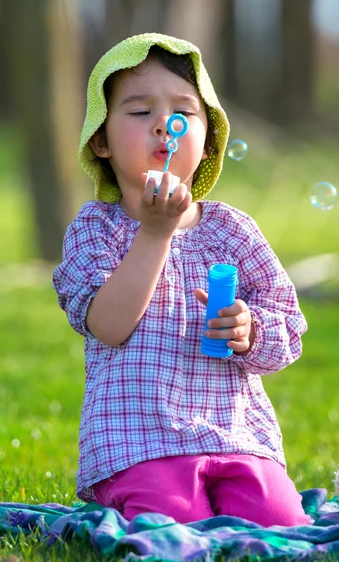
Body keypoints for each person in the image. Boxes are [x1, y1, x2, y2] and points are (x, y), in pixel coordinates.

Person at [53, 33, 309, 526]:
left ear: (209, 138)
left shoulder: (234, 230)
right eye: (138, 111)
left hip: (236, 435)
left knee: (283, 525)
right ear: (101, 140)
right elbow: (106, 324)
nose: (163, 127)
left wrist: (250, 330)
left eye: (182, 113)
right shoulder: (95, 229)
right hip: (139, 441)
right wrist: (153, 234)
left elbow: (289, 331)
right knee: (175, 527)